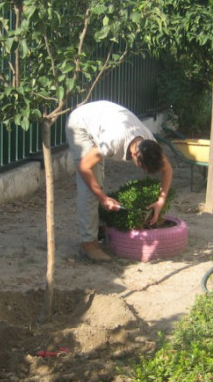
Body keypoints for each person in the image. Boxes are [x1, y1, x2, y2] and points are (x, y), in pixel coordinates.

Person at [66, 100, 173, 261]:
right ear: (136, 155)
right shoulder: (113, 141)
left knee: (97, 180)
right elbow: (83, 167)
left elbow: (167, 169)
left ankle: (97, 229)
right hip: (81, 123)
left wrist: (161, 201)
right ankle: (88, 244)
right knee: (90, 187)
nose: (143, 171)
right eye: (143, 167)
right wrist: (103, 198)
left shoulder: (150, 144)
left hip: (104, 118)